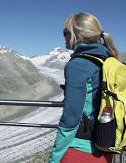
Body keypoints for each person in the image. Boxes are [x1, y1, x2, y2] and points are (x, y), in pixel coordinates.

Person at [49, 13, 117, 163]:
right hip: (104, 147)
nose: (64, 36)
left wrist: (54, 158)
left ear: (76, 33)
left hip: (80, 151)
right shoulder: (107, 59)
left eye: (65, 32)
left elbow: (71, 119)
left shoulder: (78, 64)